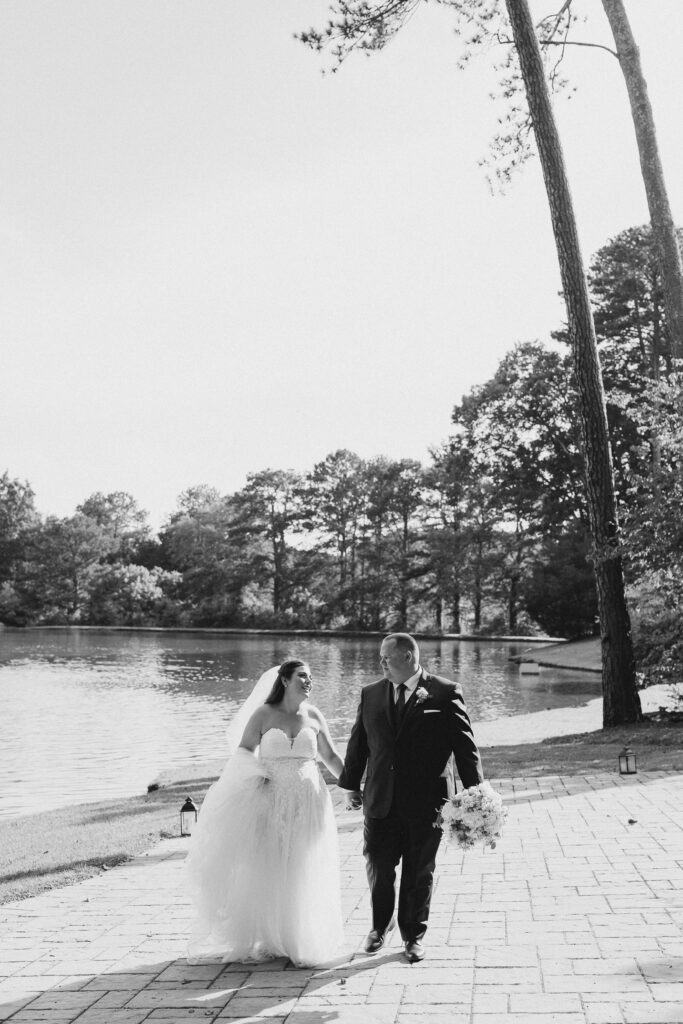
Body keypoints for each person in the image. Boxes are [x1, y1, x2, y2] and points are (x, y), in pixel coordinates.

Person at [186, 659, 346, 967]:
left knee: (303, 863)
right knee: (272, 864)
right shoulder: (263, 714)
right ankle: (272, 935)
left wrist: (353, 786)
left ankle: (300, 935)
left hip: (310, 802)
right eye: (302, 676)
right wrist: (255, 775)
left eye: (310, 677)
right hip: (271, 800)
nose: (308, 681)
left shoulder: (314, 716)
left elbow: (329, 756)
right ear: (285, 680)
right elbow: (244, 752)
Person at [338, 633, 484, 963]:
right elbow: (358, 743)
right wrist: (350, 784)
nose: (381, 664)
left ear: (407, 657)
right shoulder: (371, 693)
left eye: (386, 658)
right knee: (378, 864)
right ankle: (380, 926)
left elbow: (465, 748)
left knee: (419, 870)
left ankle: (413, 935)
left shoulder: (446, 692)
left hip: (427, 803)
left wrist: (476, 793)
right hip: (380, 800)